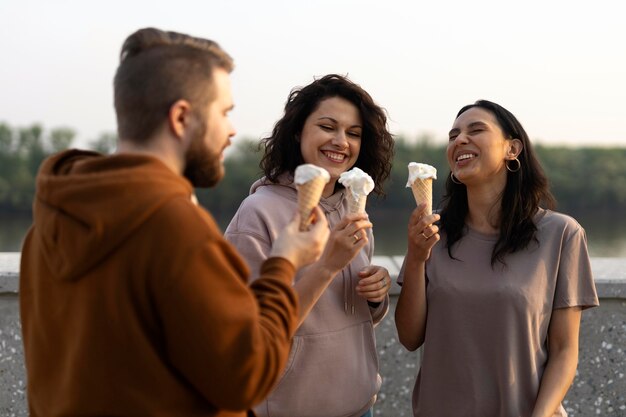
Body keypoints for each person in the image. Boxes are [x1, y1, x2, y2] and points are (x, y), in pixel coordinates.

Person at [19, 27, 331, 417]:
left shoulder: (49, 222)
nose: (232, 130)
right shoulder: (175, 229)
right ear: (182, 117)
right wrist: (284, 264)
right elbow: (246, 378)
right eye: (224, 113)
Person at [395, 100, 599, 417]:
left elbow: (564, 350)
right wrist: (417, 257)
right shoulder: (433, 231)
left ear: (512, 149)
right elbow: (409, 337)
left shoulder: (561, 234)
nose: (459, 140)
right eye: (453, 135)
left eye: (476, 130)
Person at [225, 74, 395, 417]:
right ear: (298, 131)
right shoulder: (259, 213)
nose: (341, 141)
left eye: (353, 133)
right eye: (327, 127)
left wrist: (376, 296)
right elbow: (248, 334)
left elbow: (347, 315)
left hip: (362, 407)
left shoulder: (354, 207)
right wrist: (328, 264)